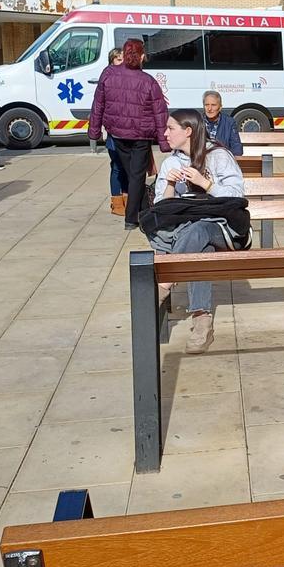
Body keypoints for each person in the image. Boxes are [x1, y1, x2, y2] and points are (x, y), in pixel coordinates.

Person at [151, 109, 245, 353]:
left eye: (171, 128)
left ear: (188, 131)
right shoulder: (171, 162)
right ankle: (202, 320)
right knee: (197, 242)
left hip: (224, 228)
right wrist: (170, 185)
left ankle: (164, 283)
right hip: (187, 231)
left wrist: (207, 184)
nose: (165, 133)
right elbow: (161, 210)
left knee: (200, 229)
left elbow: (237, 196)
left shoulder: (218, 156)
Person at [88, 39, 169, 230]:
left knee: (133, 175)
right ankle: (131, 219)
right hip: (141, 136)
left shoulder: (108, 74)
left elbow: (98, 103)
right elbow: (160, 113)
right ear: (141, 57)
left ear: (124, 55)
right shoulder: (148, 81)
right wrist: (165, 142)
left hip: (117, 133)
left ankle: (143, 211)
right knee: (137, 176)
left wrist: (94, 130)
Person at [102, 47, 129, 216]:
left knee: (127, 167)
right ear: (112, 61)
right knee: (118, 167)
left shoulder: (129, 78)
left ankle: (127, 201)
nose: (122, 63)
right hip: (114, 132)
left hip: (128, 131)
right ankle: (117, 203)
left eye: (124, 59)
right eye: (119, 59)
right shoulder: (108, 79)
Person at [201, 91, 243, 155]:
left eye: (213, 105)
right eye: (207, 105)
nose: (209, 108)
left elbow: (237, 149)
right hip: (202, 160)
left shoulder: (229, 122)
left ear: (220, 107)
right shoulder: (197, 121)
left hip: (222, 160)